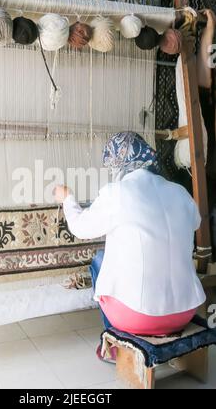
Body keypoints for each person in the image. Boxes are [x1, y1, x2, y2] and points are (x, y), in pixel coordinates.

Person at [54, 132, 206, 356]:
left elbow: (80, 228)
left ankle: (117, 347)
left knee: (100, 258)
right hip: (185, 311)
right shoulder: (180, 193)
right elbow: (195, 222)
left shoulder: (117, 193)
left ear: (117, 162)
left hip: (139, 316)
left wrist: (67, 198)